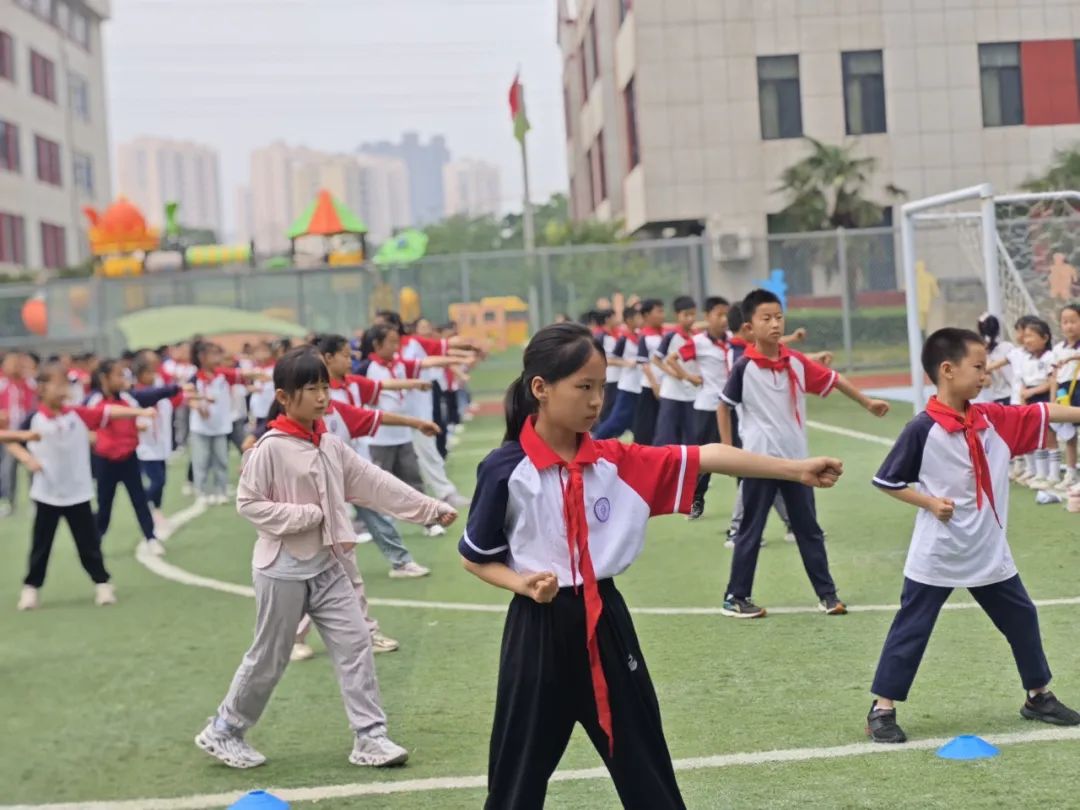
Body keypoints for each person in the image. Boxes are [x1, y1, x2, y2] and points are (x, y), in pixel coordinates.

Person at [459, 322, 843, 810]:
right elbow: (475, 557)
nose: (598, 400)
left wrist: (795, 469)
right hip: (536, 630)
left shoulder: (617, 461)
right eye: (584, 387)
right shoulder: (504, 470)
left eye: (601, 386)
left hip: (606, 624)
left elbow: (706, 455)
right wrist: (522, 583)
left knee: (646, 768)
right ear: (541, 388)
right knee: (515, 780)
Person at [195, 348, 457, 770]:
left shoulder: (329, 443)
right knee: (270, 655)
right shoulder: (269, 449)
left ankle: (371, 737)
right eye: (310, 389)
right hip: (282, 568)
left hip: (329, 564)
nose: (321, 397)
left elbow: (373, 483)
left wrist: (427, 508)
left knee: (356, 644)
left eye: (324, 387)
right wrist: (304, 517)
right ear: (283, 396)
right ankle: (224, 729)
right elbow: (249, 503)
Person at [866, 327, 1080, 743]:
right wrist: (929, 503)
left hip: (988, 551)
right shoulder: (921, 429)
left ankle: (1038, 696)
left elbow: (1047, 413)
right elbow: (886, 480)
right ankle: (882, 708)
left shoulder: (993, 420)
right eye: (978, 367)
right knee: (912, 628)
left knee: (1022, 618)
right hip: (938, 553)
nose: (986, 375)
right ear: (947, 370)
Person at [718, 288, 890, 618]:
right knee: (750, 531)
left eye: (779, 317)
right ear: (749, 327)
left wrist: (868, 403)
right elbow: (723, 408)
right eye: (766, 318)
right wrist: (727, 452)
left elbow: (834, 379)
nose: (774, 324)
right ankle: (735, 597)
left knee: (808, 529)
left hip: (798, 465)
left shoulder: (795, 362)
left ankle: (828, 596)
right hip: (758, 464)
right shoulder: (743, 368)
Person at [9, 363, 152, 610]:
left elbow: (109, 412)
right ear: (42, 388)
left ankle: (103, 583)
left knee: (89, 545)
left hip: (78, 493)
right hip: (47, 494)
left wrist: (139, 413)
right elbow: (12, 440)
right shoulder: (34, 419)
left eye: (64, 382)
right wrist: (27, 459)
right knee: (41, 546)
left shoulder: (77, 414)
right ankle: (31, 589)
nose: (63, 387)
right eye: (57, 383)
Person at [363, 324, 460, 537]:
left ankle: (429, 522)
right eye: (391, 342)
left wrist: (453, 360)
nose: (397, 347)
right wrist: (416, 384)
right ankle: (378, 527)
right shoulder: (367, 368)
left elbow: (425, 363)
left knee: (414, 479)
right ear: (377, 345)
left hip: (403, 435)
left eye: (398, 342)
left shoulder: (398, 364)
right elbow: (377, 389)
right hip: (380, 439)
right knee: (378, 485)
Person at [87, 359, 181, 557]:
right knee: (105, 506)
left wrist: (176, 388)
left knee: (139, 501)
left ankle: (151, 538)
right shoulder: (93, 400)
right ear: (105, 378)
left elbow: (152, 394)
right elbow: (98, 416)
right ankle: (94, 541)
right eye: (119, 375)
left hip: (129, 458)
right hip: (105, 461)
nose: (124, 379)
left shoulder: (129, 398)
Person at [667, 296, 730, 519]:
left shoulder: (733, 339)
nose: (724, 319)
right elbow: (672, 359)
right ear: (708, 316)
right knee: (705, 460)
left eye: (726, 314)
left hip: (733, 408)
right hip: (707, 408)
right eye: (719, 314)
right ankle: (694, 500)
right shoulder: (698, 342)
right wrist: (689, 377)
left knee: (747, 456)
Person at [1016, 319, 1059, 489]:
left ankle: (1054, 474)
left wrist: (1032, 392)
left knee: (1049, 437)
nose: (1027, 340)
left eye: (1031, 336)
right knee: (1037, 437)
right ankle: (1041, 473)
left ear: (1045, 338)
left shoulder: (1050, 357)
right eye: (1025, 336)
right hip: (1029, 399)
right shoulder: (1026, 359)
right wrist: (1023, 400)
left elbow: (1051, 381)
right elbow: (1023, 383)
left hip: (1043, 397)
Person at [652, 296, 698, 446]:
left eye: (693, 314)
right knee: (666, 434)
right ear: (678, 315)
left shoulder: (697, 337)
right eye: (686, 315)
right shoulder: (671, 336)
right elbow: (656, 360)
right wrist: (673, 373)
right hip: (671, 393)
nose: (690, 318)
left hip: (691, 393)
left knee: (692, 435)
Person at [592, 305, 643, 440]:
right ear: (608, 319)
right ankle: (597, 438)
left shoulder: (619, 335)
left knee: (623, 415)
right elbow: (604, 359)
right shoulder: (601, 337)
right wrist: (625, 363)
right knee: (611, 414)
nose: (617, 319)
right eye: (614, 316)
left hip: (621, 380)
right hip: (610, 380)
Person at [1049, 304, 1080, 493]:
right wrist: (1053, 400)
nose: (1069, 326)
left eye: (1074, 321)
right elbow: (1053, 376)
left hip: (1078, 388)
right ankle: (1070, 472)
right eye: (1065, 322)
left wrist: (1070, 359)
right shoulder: (1058, 349)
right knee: (1068, 434)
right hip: (1063, 392)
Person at [632, 299, 666, 445]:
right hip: (650, 387)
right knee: (646, 426)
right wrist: (654, 385)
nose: (662, 315)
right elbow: (644, 363)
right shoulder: (645, 336)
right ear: (646, 315)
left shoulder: (664, 333)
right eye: (658, 311)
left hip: (666, 386)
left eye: (662, 311)